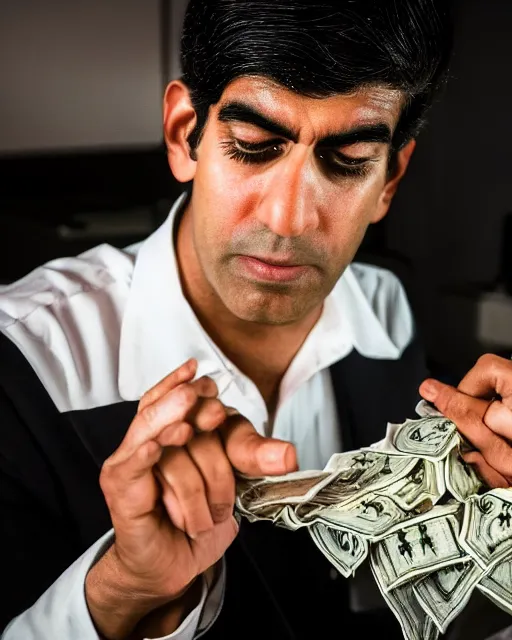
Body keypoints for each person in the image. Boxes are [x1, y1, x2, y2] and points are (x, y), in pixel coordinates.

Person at [1, 1, 510, 638]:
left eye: (348, 161)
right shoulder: (20, 361)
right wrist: (123, 590)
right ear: (184, 132)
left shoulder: (385, 305)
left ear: (390, 179)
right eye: (252, 148)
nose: (288, 220)